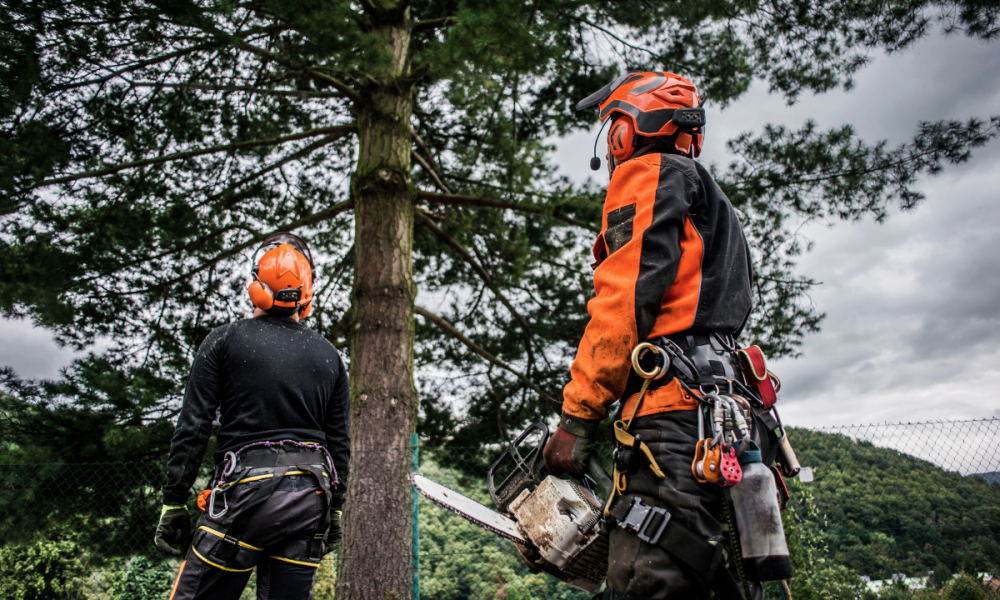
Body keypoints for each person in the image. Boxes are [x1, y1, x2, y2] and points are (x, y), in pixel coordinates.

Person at [543, 72, 755, 600]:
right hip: (724, 414)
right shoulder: (714, 202)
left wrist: (578, 414)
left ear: (625, 130)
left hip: (673, 419)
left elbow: (623, 300)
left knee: (646, 582)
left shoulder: (648, 174)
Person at [155, 232, 351, 600]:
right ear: (306, 296)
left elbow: (194, 426)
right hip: (311, 500)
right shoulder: (329, 357)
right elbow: (339, 444)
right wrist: (335, 509)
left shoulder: (224, 341)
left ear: (256, 288)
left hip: (244, 498)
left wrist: (174, 500)